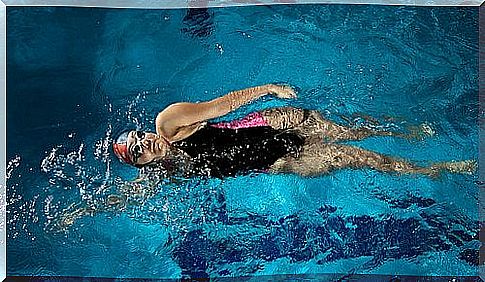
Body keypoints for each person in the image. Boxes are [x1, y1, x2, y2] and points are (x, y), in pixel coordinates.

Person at [113, 84, 475, 178]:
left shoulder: (167, 123)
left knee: (352, 131)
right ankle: (435, 170)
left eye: (139, 137)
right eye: (140, 151)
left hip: (267, 126)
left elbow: (223, 105)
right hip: (281, 160)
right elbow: (128, 196)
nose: (146, 143)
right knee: (358, 158)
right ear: (143, 163)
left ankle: (409, 132)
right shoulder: (169, 171)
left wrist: (267, 89)